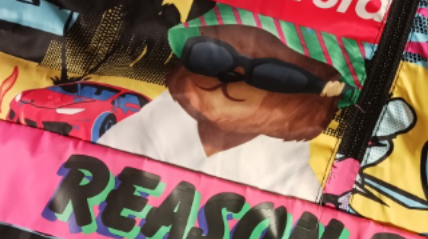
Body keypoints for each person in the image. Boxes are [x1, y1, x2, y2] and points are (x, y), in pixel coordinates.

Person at [99, 22, 345, 202]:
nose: (231, 74)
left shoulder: (297, 182)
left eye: (271, 73)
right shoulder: (144, 126)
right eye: (211, 55)